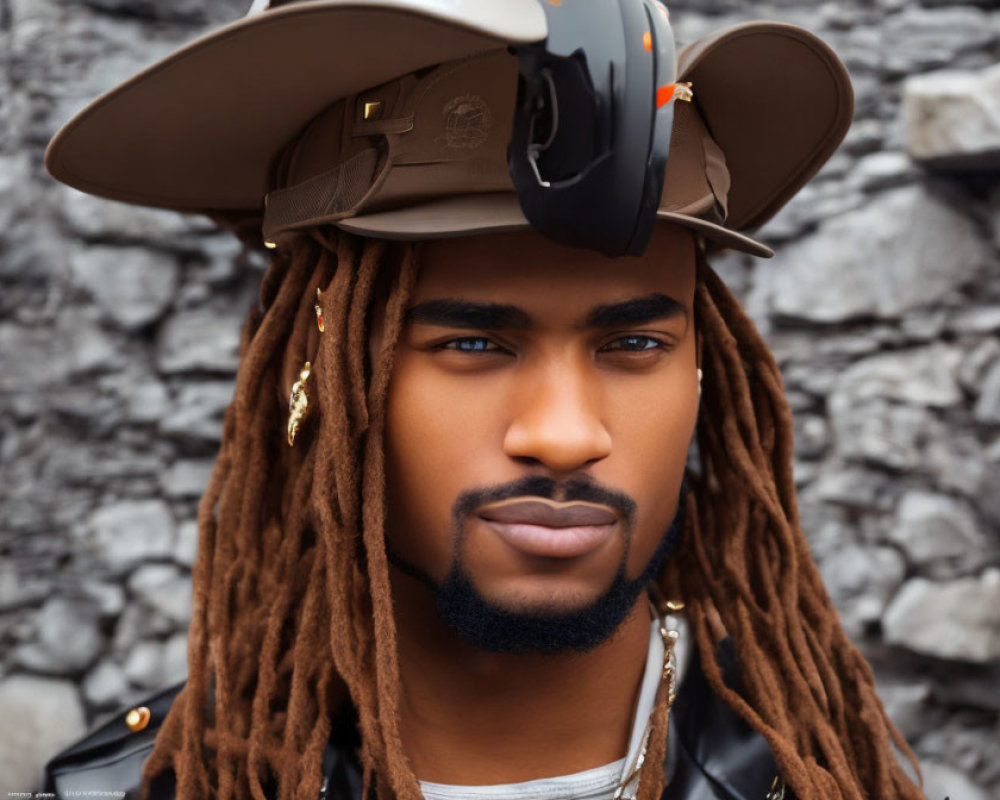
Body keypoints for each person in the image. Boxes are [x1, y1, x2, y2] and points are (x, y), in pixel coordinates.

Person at [41, 1, 926, 798]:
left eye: (633, 344)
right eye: (471, 343)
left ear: (705, 374)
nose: (565, 437)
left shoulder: (822, 773)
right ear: (311, 369)